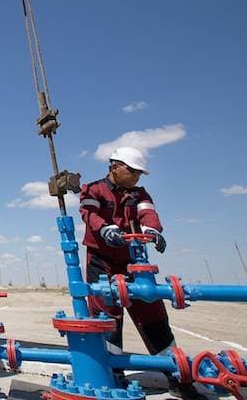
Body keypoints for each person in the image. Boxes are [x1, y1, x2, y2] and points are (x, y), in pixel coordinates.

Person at [79, 146, 203, 399]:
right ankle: (114, 379)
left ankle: (177, 378)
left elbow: (148, 212)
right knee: (107, 322)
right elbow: (88, 213)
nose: (136, 176)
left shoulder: (139, 193)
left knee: (153, 317)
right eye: (132, 171)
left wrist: (153, 230)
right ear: (115, 166)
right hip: (101, 263)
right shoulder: (93, 190)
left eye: (139, 173)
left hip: (133, 263)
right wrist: (104, 230)